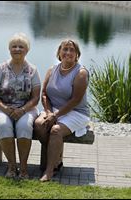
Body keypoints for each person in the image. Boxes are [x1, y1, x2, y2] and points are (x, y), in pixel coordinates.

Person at [34, 39, 90, 182]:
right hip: (53, 110)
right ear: (59, 52)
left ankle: (49, 170)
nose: (68, 53)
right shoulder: (52, 70)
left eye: (72, 50)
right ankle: (57, 160)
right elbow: (44, 94)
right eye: (65, 49)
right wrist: (48, 113)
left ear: (77, 54)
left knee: (55, 131)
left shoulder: (81, 73)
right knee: (39, 125)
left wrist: (55, 116)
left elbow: (76, 100)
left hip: (76, 112)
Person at [0, 33, 41, 179]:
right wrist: (5, 108)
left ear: (27, 50)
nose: (17, 49)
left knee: (24, 126)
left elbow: (36, 97)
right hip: (1, 108)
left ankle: (23, 168)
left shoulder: (33, 70)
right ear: (9, 49)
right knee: (3, 124)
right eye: (14, 46)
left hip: (27, 109)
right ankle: (11, 166)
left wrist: (23, 110)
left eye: (21, 46)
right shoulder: (1, 68)